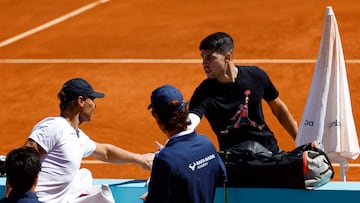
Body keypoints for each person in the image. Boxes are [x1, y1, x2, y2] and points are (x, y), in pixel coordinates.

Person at [11, 78, 155, 203]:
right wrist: (9, 199)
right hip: (38, 201)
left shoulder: (77, 136)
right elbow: (21, 164)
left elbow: (105, 153)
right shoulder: (54, 127)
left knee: (85, 177)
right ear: (81, 101)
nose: (95, 105)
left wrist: (141, 159)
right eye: (92, 100)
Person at [188, 32, 298, 185]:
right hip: (236, 164)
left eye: (210, 57)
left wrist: (299, 138)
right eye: (203, 57)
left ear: (227, 57)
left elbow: (278, 108)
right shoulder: (204, 92)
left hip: (269, 154)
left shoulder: (256, 76)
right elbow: (191, 121)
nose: (204, 63)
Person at [143, 84, 226, 203]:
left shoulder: (165, 159)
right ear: (184, 110)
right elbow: (220, 176)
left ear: (156, 117)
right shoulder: (206, 143)